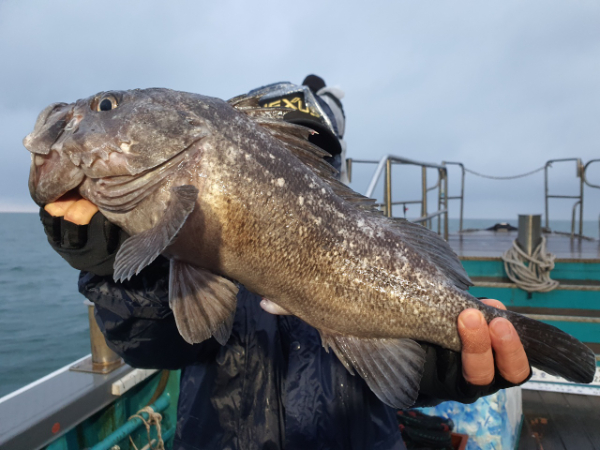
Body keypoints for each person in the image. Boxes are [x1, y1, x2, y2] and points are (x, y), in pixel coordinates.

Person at [41, 75, 530, 450]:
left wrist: (439, 366)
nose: (291, 166)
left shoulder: (358, 239)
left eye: (314, 152)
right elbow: (154, 345)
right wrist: (116, 266)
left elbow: (396, 372)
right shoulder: (188, 237)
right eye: (279, 147)